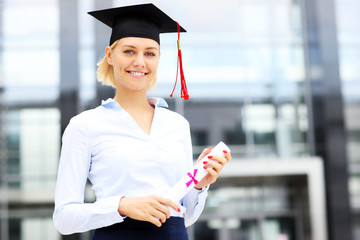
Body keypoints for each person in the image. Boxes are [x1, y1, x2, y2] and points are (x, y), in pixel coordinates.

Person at [53, 3, 231, 240]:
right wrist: (121, 206)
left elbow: (184, 216)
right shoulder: (85, 126)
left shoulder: (177, 125)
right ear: (109, 55)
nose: (140, 62)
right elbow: (64, 218)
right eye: (129, 51)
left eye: (149, 53)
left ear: (158, 58)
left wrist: (200, 184)